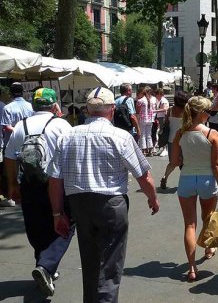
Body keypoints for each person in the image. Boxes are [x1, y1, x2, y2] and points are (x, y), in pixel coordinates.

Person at [47, 87, 160, 303]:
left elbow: (54, 179)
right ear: (113, 109)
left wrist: (57, 213)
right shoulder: (120, 136)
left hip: (79, 204)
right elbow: (143, 175)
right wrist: (152, 198)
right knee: (110, 265)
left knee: (89, 261)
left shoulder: (67, 135)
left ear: (88, 109)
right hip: (111, 204)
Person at [4, 88, 75, 297]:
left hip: (29, 184)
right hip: (57, 184)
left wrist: (12, 186)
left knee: (36, 227)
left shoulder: (20, 126)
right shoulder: (61, 125)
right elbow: (71, 155)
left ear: (33, 106)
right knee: (66, 223)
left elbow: (9, 158)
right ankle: (45, 267)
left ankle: (44, 268)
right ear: (54, 106)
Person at [171, 96, 218, 281]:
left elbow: (174, 161)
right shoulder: (211, 134)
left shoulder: (180, 133)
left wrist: (185, 158)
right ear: (202, 113)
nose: (210, 114)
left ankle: (191, 267)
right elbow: (217, 165)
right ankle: (208, 247)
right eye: (209, 111)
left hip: (186, 179)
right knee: (208, 218)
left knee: (189, 224)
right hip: (206, 180)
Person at [0, 82, 34, 206]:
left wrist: (19, 131)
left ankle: (11, 197)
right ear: (23, 92)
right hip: (30, 143)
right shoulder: (30, 106)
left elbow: (6, 127)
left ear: (10, 93)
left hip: (12, 144)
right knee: (28, 170)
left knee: (11, 173)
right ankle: (27, 195)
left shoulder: (7, 107)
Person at [160, 91, 190, 189]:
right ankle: (185, 181)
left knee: (173, 162)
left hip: (171, 140)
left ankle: (165, 177)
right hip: (184, 140)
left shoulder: (170, 110)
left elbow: (166, 123)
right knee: (185, 161)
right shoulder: (187, 111)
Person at [136, 86, 155, 156]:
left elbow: (137, 112)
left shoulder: (140, 101)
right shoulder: (149, 100)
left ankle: (143, 150)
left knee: (142, 135)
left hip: (142, 119)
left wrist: (137, 121)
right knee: (149, 135)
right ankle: (150, 150)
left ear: (141, 93)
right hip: (150, 119)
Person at [207, 83, 218, 150]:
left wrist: (210, 110)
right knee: (212, 129)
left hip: (216, 114)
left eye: (212, 88)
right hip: (213, 115)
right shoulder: (215, 95)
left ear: (215, 88)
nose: (211, 89)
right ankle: (214, 143)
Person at [152, 88, 169, 155]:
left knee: (163, 132)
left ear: (159, 94)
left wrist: (155, 111)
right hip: (160, 117)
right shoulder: (160, 100)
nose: (156, 96)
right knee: (161, 132)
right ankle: (163, 148)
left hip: (163, 117)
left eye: (156, 95)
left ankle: (165, 149)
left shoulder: (163, 100)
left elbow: (165, 109)